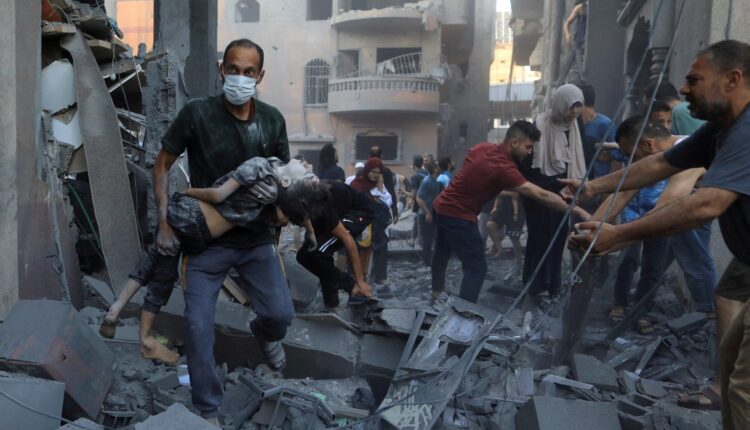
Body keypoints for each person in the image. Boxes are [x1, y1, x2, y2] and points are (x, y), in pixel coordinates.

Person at [565, 40, 750, 429]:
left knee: (744, 387)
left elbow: (704, 205)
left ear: (732, 79)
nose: (683, 89)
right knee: (733, 365)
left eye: (694, 79)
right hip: (746, 259)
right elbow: (658, 164)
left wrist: (619, 235)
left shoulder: (746, 132)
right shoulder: (719, 131)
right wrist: (592, 188)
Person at [152, 38, 293, 421]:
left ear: (259, 76)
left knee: (280, 316)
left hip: (256, 240)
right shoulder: (197, 114)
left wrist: (282, 210)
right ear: (221, 70)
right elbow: (162, 164)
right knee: (198, 325)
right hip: (206, 240)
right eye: (233, 69)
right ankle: (208, 409)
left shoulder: (272, 120)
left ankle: (263, 332)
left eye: (249, 72)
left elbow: (284, 179)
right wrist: (164, 223)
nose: (240, 78)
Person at [102, 158, 314, 362]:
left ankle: (116, 311)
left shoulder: (271, 187)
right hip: (192, 221)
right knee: (161, 278)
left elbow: (291, 209)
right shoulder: (266, 174)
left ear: (287, 182)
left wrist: (309, 229)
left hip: (191, 221)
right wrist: (188, 192)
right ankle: (145, 340)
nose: (306, 166)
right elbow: (222, 195)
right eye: (307, 171)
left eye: (306, 174)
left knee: (153, 262)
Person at [430, 120, 590, 303]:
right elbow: (540, 195)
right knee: (476, 267)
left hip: (440, 206)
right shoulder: (503, 167)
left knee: (442, 251)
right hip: (458, 215)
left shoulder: (483, 148)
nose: (529, 152)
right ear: (514, 142)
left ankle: (436, 293)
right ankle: (464, 313)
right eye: (528, 147)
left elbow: (476, 163)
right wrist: (579, 211)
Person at [520, 84, 587, 306]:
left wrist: (574, 186)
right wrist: (547, 186)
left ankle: (553, 285)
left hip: (564, 191)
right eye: (571, 106)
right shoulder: (540, 125)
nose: (575, 111)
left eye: (578, 106)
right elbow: (528, 165)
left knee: (558, 238)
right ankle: (535, 285)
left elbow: (579, 157)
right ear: (560, 104)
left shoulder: (575, 126)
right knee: (540, 237)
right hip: (539, 191)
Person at [292, 180, 375, 311]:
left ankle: (355, 287)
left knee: (320, 252)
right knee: (304, 256)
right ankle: (332, 303)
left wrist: (360, 280)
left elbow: (348, 240)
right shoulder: (296, 200)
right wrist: (311, 234)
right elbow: (305, 218)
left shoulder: (323, 208)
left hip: (358, 212)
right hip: (334, 211)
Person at [350, 158, 389, 279]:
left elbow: (388, 202)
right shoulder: (356, 184)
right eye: (373, 172)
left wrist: (381, 187)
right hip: (360, 224)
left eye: (378, 172)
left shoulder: (378, 185)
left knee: (372, 250)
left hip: (375, 225)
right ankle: (356, 278)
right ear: (367, 170)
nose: (375, 175)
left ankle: (368, 276)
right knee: (358, 251)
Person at [368, 147, 398, 286]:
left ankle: (374, 273)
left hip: (374, 213)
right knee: (380, 243)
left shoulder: (367, 171)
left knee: (373, 243)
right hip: (376, 213)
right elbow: (391, 192)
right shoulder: (384, 171)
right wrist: (394, 211)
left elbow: (388, 193)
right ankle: (379, 275)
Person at [577, 82, 617, 179]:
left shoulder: (606, 124)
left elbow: (617, 158)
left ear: (580, 102)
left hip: (599, 182)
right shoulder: (574, 125)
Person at [415, 161, 443, 265]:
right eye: (438, 167)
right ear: (435, 169)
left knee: (434, 237)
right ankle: (426, 262)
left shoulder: (437, 181)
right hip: (425, 215)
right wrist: (427, 213)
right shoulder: (426, 181)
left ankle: (434, 260)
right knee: (427, 239)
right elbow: (419, 198)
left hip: (434, 213)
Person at [486, 192, 524, 263]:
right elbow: (498, 195)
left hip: (517, 210)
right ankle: (499, 249)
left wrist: (516, 212)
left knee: (514, 237)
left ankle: (518, 258)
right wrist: (495, 207)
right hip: (502, 208)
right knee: (490, 225)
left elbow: (515, 195)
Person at [557, 0, 588, 85]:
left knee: (582, 71)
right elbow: (566, 24)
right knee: (573, 63)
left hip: (587, 45)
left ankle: (560, 82)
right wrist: (567, 35)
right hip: (579, 43)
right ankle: (559, 83)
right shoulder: (580, 8)